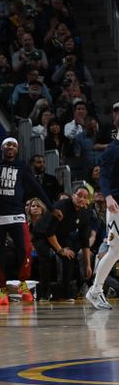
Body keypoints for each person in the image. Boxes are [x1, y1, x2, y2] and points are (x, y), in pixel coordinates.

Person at [0, 137, 51, 306]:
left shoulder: (23, 166)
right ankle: (2, 289)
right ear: (2, 147)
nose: (11, 147)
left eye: (14, 145)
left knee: (25, 249)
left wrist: (51, 206)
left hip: (16, 214)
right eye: (8, 144)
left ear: (17, 150)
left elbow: (37, 187)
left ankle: (23, 284)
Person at [86, 103, 119, 309]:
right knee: (115, 251)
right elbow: (104, 176)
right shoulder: (112, 149)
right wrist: (107, 197)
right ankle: (95, 290)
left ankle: (95, 290)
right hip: (116, 206)